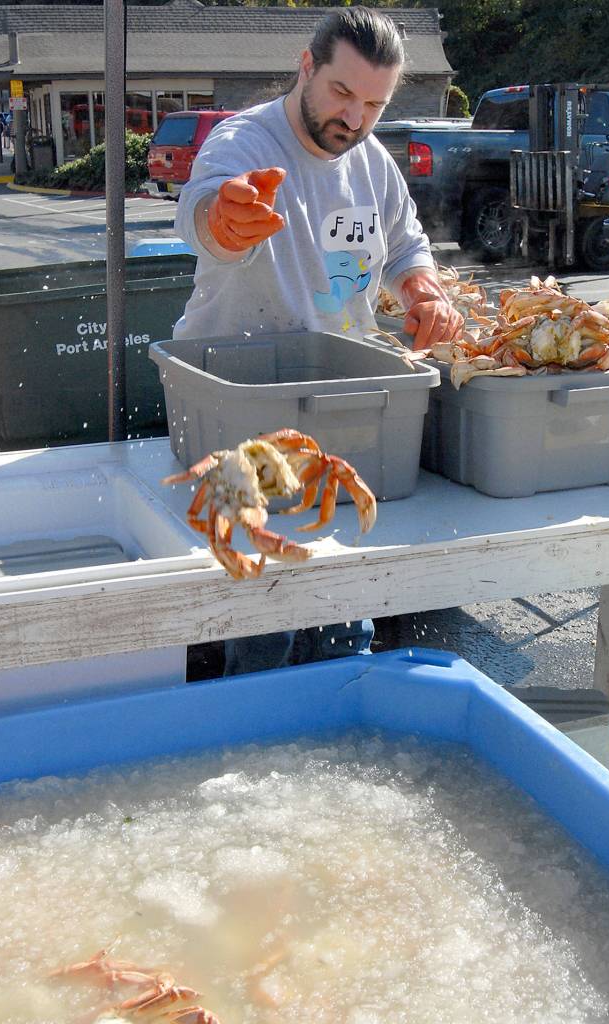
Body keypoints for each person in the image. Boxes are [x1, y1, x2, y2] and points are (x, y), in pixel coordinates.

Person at [174, 6, 463, 676]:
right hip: (235, 412)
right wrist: (225, 219)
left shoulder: (372, 164)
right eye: (342, 93)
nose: (355, 119)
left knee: (342, 614)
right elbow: (202, 212)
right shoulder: (244, 143)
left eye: (373, 104)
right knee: (261, 629)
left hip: (338, 415)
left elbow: (405, 245)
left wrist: (424, 291)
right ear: (307, 67)